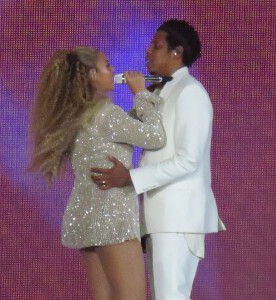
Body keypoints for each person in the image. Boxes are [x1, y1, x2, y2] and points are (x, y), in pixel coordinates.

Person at [91, 20, 226, 300]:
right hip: (159, 217)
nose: (148, 52)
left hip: (177, 217)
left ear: (177, 52)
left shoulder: (191, 92)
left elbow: (189, 160)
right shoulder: (160, 93)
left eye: (157, 46)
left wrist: (132, 178)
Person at [28, 46, 166, 300]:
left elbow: (126, 131)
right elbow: (155, 137)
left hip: (85, 218)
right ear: (92, 75)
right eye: (107, 66)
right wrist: (141, 95)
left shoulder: (80, 116)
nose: (113, 71)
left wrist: (140, 104)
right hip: (111, 218)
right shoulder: (107, 115)